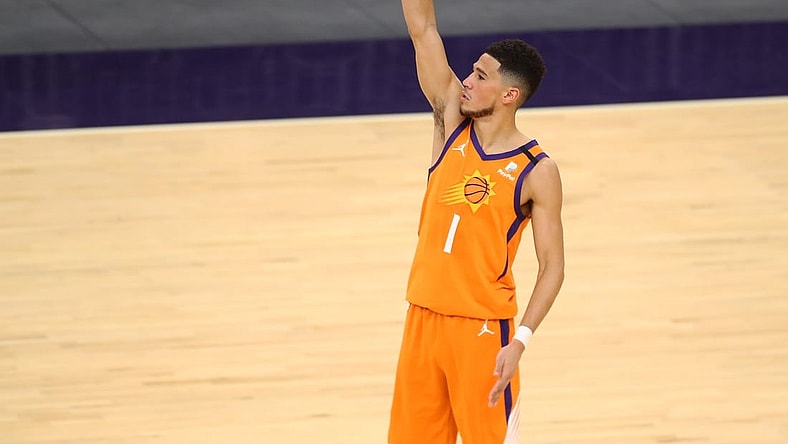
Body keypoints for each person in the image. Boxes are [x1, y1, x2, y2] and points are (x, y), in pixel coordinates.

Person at [389, 0, 566, 443]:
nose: (466, 81)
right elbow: (423, 30)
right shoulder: (451, 121)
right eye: (471, 71)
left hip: (483, 332)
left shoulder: (537, 171)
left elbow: (553, 267)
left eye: (481, 77)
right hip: (423, 318)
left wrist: (520, 339)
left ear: (509, 96)